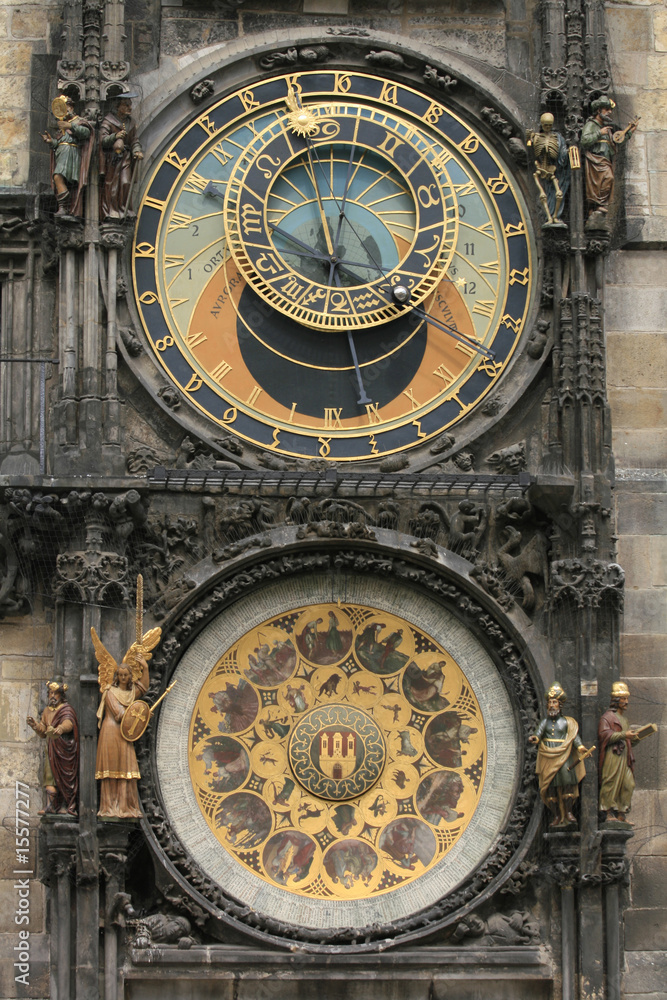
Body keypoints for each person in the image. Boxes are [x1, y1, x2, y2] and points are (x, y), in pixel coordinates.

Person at [91, 623, 161, 818]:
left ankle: (125, 806)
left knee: (127, 769)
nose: (123, 677)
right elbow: (120, 714)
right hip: (112, 731)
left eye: (126, 675)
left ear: (130, 676)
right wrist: (140, 715)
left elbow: (143, 687)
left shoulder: (131, 693)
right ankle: (109, 807)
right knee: (112, 768)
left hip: (125, 734)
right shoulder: (110, 692)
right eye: (120, 675)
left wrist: (144, 667)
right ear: (116, 676)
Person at [529, 683, 589, 827]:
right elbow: (538, 733)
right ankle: (556, 815)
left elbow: (573, 736)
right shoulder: (545, 722)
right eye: (550, 702)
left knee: (567, 784)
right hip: (548, 755)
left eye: (554, 702)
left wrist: (580, 747)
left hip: (564, 755)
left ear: (560, 705)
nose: (552, 705)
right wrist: (535, 738)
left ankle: (568, 812)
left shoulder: (567, 722)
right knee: (550, 787)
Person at [598, 681, 653, 824]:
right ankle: (608, 812)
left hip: (625, 756)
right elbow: (604, 735)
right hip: (613, 755)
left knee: (628, 784)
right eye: (623, 699)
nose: (626, 702)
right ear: (616, 700)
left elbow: (628, 740)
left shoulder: (624, 720)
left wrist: (639, 737)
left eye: (627, 699)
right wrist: (624, 735)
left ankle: (622, 813)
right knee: (610, 781)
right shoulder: (607, 717)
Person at [580, 96, 638, 223]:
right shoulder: (591, 125)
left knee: (608, 179)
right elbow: (584, 141)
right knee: (605, 180)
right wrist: (599, 133)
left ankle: (599, 205)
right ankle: (596, 206)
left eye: (609, 109)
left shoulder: (606, 128)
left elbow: (615, 141)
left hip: (605, 161)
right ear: (599, 110)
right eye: (606, 109)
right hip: (595, 160)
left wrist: (629, 132)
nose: (609, 112)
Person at [27, 680, 79, 815]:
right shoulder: (46, 711)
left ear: (61, 695)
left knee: (64, 777)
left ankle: (65, 805)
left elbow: (69, 723)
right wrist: (35, 725)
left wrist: (61, 728)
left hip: (64, 749)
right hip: (51, 748)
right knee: (50, 776)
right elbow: (43, 732)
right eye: (50, 693)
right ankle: (50, 806)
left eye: (55, 693)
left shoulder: (66, 709)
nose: (53, 696)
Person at [41, 94, 93, 217]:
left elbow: (86, 133)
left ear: (71, 107)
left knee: (58, 177)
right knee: (59, 179)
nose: (63, 111)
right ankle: (65, 207)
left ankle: (65, 206)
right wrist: (51, 142)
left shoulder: (78, 121)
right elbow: (60, 142)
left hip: (71, 154)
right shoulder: (62, 124)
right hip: (61, 154)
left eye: (65, 107)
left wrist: (70, 126)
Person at [99, 93, 144, 220]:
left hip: (126, 158)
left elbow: (134, 140)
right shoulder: (108, 120)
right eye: (126, 105)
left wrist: (137, 150)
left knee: (126, 182)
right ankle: (111, 211)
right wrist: (115, 136)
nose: (130, 107)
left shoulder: (131, 123)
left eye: (130, 105)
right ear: (117, 106)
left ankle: (125, 209)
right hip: (112, 158)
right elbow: (102, 140)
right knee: (112, 185)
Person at [526, 112, 570, 227]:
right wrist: (528, 137)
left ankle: (555, 216)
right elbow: (530, 150)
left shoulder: (558, 138)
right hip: (540, 169)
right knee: (544, 194)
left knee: (559, 193)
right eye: (545, 125)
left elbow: (562, 153)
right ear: (541, 124)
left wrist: (567, 153)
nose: (547, 127)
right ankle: (548, 217)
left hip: (553, 169)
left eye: (550, 125)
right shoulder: (536, 137)